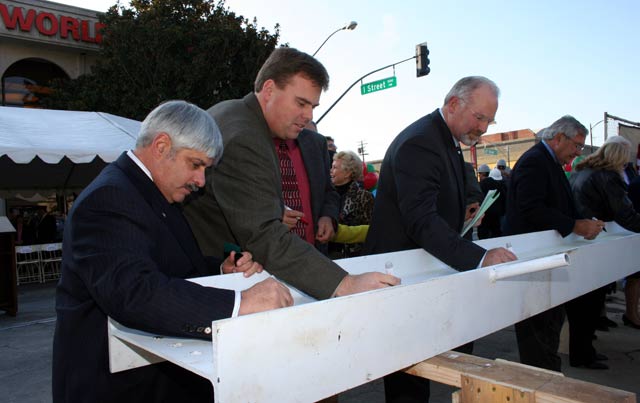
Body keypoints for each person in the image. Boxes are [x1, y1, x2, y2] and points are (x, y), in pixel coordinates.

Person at [52, 101, 294, 403]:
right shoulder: (108, 198)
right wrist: (239, 302)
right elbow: (135, 293)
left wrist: (221, 270)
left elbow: (171, 267)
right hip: (115, 387)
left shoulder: (152, 193)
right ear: (162, 146)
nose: (201, 181)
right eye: (195, 164)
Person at [183, 47, 399, 301]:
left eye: (313, 106)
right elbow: (263, 235)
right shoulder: (246, 138)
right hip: (212, 276)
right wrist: (345, 284)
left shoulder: (234, 113)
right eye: (301, 103)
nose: (308, 116)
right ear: (270, 89)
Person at [364, 76, 517, 403]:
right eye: (479, 118)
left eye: (489, 121)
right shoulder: (421, 141)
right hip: (403, 273)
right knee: (409, 372)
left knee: (421, 365)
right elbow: (419, 219)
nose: (483, 129)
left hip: (419, 267)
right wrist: (479, 257)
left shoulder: (442, 139)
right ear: (453, 104)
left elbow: (427, 204)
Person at [503, 115, 604, 372]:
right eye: (577, 146)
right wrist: (575, 225)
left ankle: (546, 375)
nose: (578, 152)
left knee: (548, 326)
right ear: (559, 138)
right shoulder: (535, 161)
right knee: (538, 329)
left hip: (546, 255)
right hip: (534, 257)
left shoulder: (548, 161)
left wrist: (579, 220)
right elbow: (530, 208)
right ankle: (542, 379)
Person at [573, 136, 640, 333]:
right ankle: (585, 351)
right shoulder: (608, 177)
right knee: (590, 297)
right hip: (594, 236)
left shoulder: (584, 171)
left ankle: (591, 332)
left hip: (581, 235)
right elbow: (625, 214)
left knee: (588, 297)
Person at [328, 150, 374, 258]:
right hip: (326, 256)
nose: (330, 171)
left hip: (355, 258)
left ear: (347, 173)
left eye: (334, 167)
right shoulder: (326, 196)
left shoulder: (364, 197)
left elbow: (371, 231)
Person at [477, 168, 507, 239]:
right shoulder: (502, 185)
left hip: (484, 214)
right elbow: (504, 199)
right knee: (496, 234)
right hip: (497, 215)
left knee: (483, 235)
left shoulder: (482, 184)